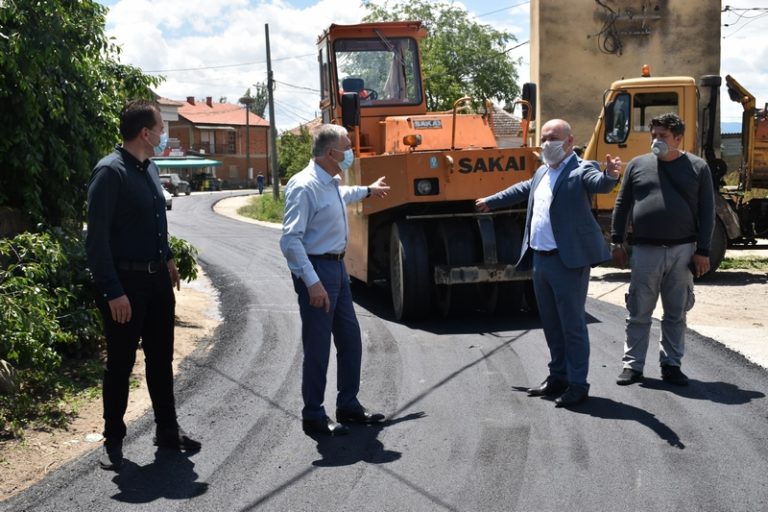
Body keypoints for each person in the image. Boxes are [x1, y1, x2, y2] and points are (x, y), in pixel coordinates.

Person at [86, 99, 201, 471]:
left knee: (160, 359)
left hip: (155, 282)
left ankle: (167, 430)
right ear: (144, 132)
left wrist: (167, 256)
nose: (164, 133)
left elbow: (155, 222)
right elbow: (96, 240)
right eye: (160, 127)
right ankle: (113, 438)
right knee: (120, 363)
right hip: (125, 285)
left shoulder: (148, 168)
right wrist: (112, 291)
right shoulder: (110, 173)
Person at [476, 119, 622, 407]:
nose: (545, 144)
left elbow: (600, 183)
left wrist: (611, 175)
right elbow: (521, 189)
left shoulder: (582, 169)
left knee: (573, 326)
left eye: (552, 138)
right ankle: (558, 377)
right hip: (540, 260)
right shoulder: (542, 171)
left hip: (567, 262)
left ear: (569, 142)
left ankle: (578, 384)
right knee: (551, 324)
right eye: (542, 138)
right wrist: (491, 201)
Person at [280, 124, 390, 435]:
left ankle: (348, 405)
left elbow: (342, 195)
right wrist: (312, 282)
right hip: (317, 270)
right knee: (318, 346)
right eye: (348, 146)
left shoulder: (329, 182)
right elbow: (290, 241)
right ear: (332, 153)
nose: (351, 151)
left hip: (338, 268)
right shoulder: (304, 186)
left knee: (350, 339)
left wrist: (368, 190)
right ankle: (313, 413)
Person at [611, 112, 715, 386]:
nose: (656, 140)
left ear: (678, 138)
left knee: (676, 313)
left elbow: (707, 212)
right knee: (638, 310)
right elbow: (622, 205)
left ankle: (671, 365)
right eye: (654, 135)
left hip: (683, 251)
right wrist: (616, 241)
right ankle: (632, 366)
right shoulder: (636, 165)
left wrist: (703, 250)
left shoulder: (698, 167)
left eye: (663, 136)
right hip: (645, 251)